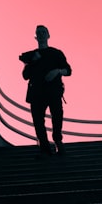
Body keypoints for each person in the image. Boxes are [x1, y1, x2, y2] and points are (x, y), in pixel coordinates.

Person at [19, 24, 71, 155]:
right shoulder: (31, 56)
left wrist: (57, 71)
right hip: (36, 93)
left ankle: (58, 142)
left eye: (43, 32)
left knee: (57, 116)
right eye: (39, 32)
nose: (41, 34)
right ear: (36, 37)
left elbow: (68, 70)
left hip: (53, 91)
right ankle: (44, 147)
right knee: (38, 121)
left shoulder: (56, 53)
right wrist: (32, 61)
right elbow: (25, 75)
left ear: (48, 35)